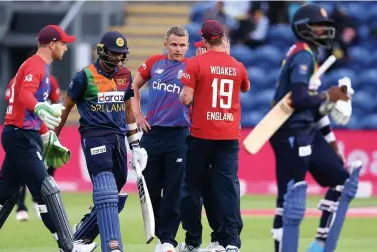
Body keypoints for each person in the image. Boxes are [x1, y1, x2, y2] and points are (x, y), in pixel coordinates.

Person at [0, 25, 97, 252]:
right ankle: (69, 245)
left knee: (2, 194)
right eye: (63, 43)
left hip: (21, 134)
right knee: (47, 189)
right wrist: (40, 107)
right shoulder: (35, 65)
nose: (65, 48)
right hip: (21, 136)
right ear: (52, 43)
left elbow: (27, 105)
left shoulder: (39, 67)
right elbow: (24, 95)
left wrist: (47, 134)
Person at [267, 5, 362, 252]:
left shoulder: (309, 54)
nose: (324, 29)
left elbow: (311, 108)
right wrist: (328, 95)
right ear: (303, 27)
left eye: (324, 25)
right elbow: (299, 98)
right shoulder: (301, 54)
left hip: (306, 130)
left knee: (342, 181)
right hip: (289, 133)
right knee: (289, 199)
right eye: (318, 24)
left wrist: (332, 144)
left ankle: (319, 245)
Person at [54, 31, 147, 252]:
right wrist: (52, 138)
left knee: (117, 188)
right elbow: (65, 108)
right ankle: (112, 246)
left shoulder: (125, 74)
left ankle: (81, 234)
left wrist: (135, 146)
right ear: (102, 51)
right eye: (113, 53)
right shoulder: (84, 76)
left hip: (118, 136)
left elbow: (127, 110)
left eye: (121, 54)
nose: (117, 58)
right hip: (94, 135)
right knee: (105, 187)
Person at [178, 20, 250, 252]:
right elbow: (245, 88)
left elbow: (186, 99)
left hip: (201, 135)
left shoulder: (196, 63)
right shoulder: (237, 65)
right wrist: (226, 61)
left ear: (205, 40)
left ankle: (192, 241)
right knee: (227, 188)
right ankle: (231, 242)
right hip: (228, 136)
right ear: (223, 40)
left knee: (190, 188)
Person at [130, 26, 190, 252]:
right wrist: (136, 114)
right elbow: (134, 85)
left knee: (174, 190)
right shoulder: (154, 62)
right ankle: (162, 234)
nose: (178, 49)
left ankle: (168, 240)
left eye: (182, 45)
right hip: (152, 134)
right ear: (166, 44)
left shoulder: (191, 67)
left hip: (179, 135)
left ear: (187, 45)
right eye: (174, 44)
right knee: (150, 188)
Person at [5, 48, 62, 222]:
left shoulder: (50, 80)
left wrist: (51, 129)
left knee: (49, 164)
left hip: (41, 129)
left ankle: (38, 202)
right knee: (23, 171)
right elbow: (13, 101)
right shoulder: (16, 81)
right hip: (23, 130)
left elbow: (56, 102)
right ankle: (22, 207)